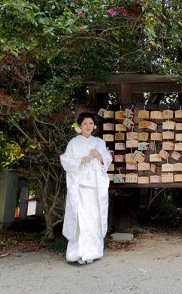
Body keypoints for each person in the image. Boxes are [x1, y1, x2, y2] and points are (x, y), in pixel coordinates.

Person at [60, 112, 112, 265]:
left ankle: (93, 251)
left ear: (94, 126)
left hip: (95, 188)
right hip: (80, 188)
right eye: (85, 124)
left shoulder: (99, 143)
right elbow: (65, 161)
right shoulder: (73, 143)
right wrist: (80, 160)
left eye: (90, 123)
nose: (88, 126)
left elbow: (107, 161)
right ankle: (77, 252)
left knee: (94, 218)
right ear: (80, 126)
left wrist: (100, 157)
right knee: (80, 219)